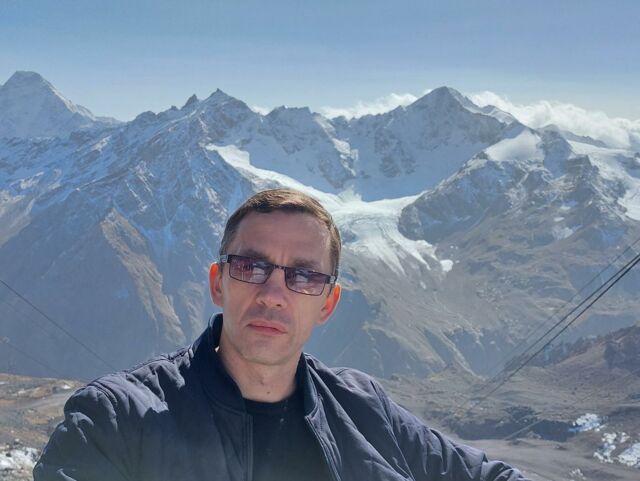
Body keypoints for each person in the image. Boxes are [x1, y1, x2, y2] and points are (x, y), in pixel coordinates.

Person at [34, 188, 530, 481]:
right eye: (251, 266)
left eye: (305, 276)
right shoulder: (117, 419)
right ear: (217, 283)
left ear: (327, 304)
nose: (273, 294)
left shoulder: (364, 409)